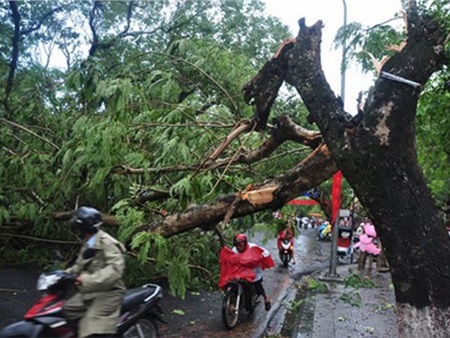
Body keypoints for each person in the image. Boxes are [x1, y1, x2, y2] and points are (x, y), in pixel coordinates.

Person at [63, 206, 127, 338]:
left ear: (84, 229)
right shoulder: (89, 243)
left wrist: (86, 280)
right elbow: (79, 265)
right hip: (92, 290)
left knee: (91, 323)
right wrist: (63, 275)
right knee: (67, 309)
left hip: (110, 292)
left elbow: (116, 269)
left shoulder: (107, 242)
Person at [232, 234, 273, 311]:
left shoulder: (253, 247)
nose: (238, 246)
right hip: (242, 271)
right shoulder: (234, 250)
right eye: (237, 244)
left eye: (240, 244)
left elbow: (265, 253)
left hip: (253, 270)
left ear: (245, 243)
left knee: (258, 286)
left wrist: (259, 258)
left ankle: (266, 298)